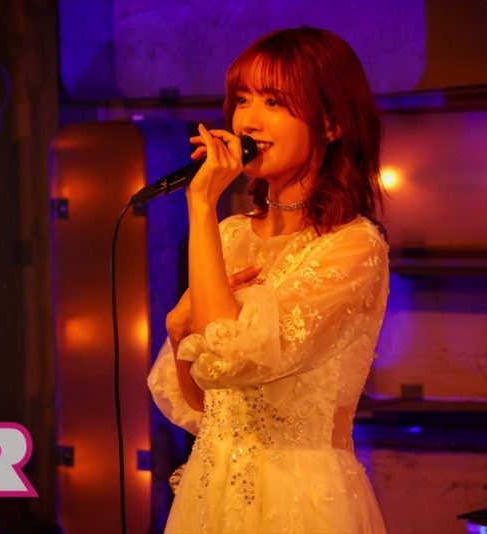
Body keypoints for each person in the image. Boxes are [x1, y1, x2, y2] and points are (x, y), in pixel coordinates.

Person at [147, 27, 389, 533]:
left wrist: (200, 203)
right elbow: (203, 402)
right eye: (242, 100)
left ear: (331, 123)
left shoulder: (353, 247)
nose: (249, 121)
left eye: (274, 101)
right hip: (212, 488)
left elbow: (230, 359)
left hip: (299, 496)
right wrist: (175, 330)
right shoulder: (230, 234)